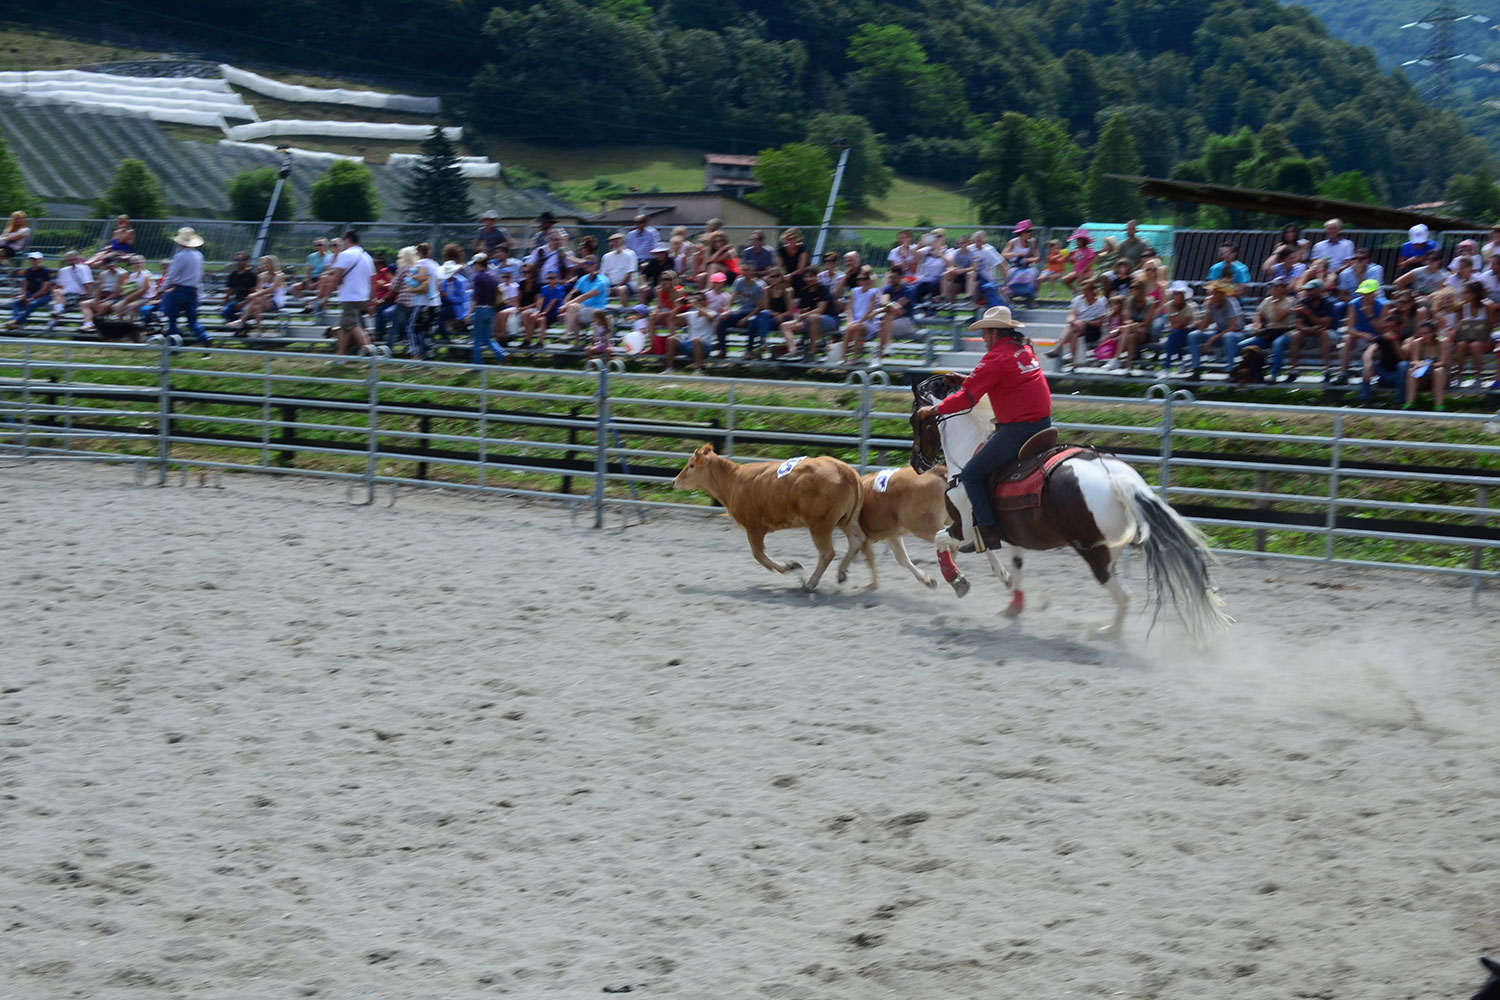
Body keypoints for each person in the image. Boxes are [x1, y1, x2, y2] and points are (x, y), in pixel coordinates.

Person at [917, 305, 1050, 554]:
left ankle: (988, 531)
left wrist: (933, 411)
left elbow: (966, 399)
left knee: (971, 475)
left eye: (984, 333)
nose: (982, 339)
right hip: (1043, 424)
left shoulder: (996, 357)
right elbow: (1003, 380)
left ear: (994, 333)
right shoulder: (1024, 351)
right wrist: (968, 380)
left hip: (1018, 430)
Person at [326, 229, 374, 355]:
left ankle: (371, 353)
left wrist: (327, 295)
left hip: (350, 297)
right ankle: (340, 355)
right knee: (345, 328)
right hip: (362, 297)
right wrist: (371, 299)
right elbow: (372, 280)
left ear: (347, 239)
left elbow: (337, 276)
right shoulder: (367, 256)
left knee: (354, 326)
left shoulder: (345, 254)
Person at [1187, 280, 1244, 381]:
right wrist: (1207, 309)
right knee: (1193, 335)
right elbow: (1203, 327)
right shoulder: (1212, 304)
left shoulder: (1230, 302)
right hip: (1220, 333)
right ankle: (1196, 370)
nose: (1214, 295)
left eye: (1217, 293)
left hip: (1235, 334)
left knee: (1228, 336)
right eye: (1213, 293)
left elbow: (1233, 327)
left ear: (1223, 294)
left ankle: (1231, 371)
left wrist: (1212, 339)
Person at [1047, 278, 1107, 369]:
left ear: (1091, 291)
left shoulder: (1100, 302)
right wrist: (1072, 321)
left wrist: (1085, 322)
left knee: (1077, 325)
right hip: (1077, 327)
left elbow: (1099, 322)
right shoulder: (1078, 299)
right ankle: (1073, 363)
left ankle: (1056, 349)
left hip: (1093, 329)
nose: (1083, 293)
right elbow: (1072, 314)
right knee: (1074, 333)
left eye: (1085, 290)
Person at [562, 255, 610, 347]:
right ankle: (573, 340)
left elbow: (586, 296)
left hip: (597, 310)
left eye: (589, 263)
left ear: (595, 265)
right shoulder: (583, 279)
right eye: (584, 263)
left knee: (572, 310)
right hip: (585, 308)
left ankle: (568, 334)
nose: (585, 266)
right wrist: (565, 305)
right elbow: (571, 293)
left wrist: (566, 306)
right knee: (572, 309)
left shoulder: (602, 280)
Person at [665, 290, 716, 373]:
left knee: (696, 340)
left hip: (705, 347)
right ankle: (669, 368)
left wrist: (698, 306)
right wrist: (678, 306)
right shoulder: (691, 314)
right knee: (671, 339)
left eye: (700, 300)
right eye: (696, 299)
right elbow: (671, 318)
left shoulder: (712, 312)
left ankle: (698, 369)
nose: (697, 302)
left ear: (706, 301)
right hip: (690, 345)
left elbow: (710, 318)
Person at [232, 255, 286, 334]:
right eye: (264, 264)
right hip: (263, 300)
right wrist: (261, 294)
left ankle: (241, 321)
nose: (265, 265)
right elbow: (258, 288)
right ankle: (260, 330)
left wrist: (257, 294)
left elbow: (272, 289)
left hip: (275, 301)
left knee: (255, 299)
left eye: (267, 263)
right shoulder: (261, 275)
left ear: (273, 264)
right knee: (256, 307)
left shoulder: (279, 275)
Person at [1403, 319, 1446, 410]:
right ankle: (1410, 402)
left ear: (1434, 332)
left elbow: (1442, 362)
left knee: (1439, 371)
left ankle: (1439, 404)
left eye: (1427, 333)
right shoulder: (1417, 342)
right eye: (1421, 333)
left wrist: (1429, 364)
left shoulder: (1442, 342)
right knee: (1411, 370)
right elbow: (1413, 361)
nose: (1424, 336)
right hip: (1422, 376)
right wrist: (1419, 364)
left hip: (1437, 375)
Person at [50, 250, 95, 335]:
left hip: (79, 295)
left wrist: (88, 296)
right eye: (70, 260)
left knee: (55, 302)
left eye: (73, 260)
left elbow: (88, 284)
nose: (72, 262)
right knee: (56, 292)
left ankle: (57, 313)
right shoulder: (63, 271)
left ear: (77, 259)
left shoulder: (84, 269)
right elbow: (60, 285)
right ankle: (58, 310)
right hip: (65, 295)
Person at [1158, 281, 1198, 374]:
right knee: (1174, 335)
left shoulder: (1190, 306)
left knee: (1173, 337)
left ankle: (1168, 367)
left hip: (1190, 332)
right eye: (1174, 294)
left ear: (1183, 295)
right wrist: (1179, 325)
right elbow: (1174, 326)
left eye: (1178, 294)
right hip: (1179, 332)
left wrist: (1179, 324)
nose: (1175, 296)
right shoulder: (1168, 305)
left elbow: (1180, 324)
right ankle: (1180, 362)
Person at [7, 251, 52, 330]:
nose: (33, 261)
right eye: (32, 259)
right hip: (31, 294)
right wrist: (23, 295)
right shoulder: (29, 271)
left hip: (44, 296)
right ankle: (14, 320)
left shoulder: (45, 272)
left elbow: (44, 289)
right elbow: (25, 284)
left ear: (41, 260)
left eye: (36, 259)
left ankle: (16, 321)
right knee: (16, 302)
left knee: (32, 304)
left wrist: (32, 298)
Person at [219, 252, 259, 325]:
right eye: (237, 260)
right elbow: (230, 289)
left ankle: (240, 326)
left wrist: (244, 302)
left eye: (241, 260)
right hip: (237, 300)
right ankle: (243, 327)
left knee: (244, 312)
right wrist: (225, 303)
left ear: (247, 261)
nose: (239, 262)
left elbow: (253, 292)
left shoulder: (251, 275)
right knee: (225, 311)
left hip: (248, 301)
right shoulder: (233, 275)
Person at [600, 233, 638, 302]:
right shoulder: (606, 257)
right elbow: (604, 274)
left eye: (617, 241)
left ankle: (624, 310)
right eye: (612, 242)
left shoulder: (629, 255)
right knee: (598, 290)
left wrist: (618, 286)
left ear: (622, 242)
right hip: (611, 285)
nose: (614, 244)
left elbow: (629, 274)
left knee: (621, 289)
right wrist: (609, 286)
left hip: (627, 284)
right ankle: (601, 310)